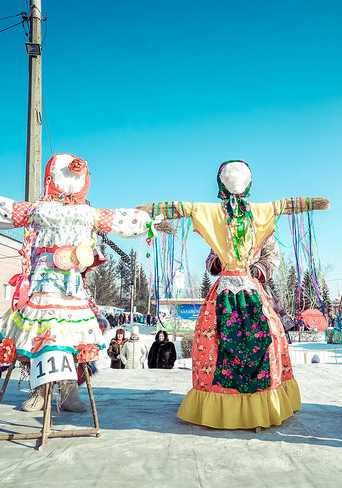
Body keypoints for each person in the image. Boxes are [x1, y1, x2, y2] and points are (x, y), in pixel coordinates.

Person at [138, 160, 328, 429]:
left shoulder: (260, 222)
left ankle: (262, 403)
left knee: (265, 340)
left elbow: (272, 256)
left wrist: (255, 269)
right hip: (224, 290)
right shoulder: (218, 221)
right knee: (215, 342)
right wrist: (221, 262)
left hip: (253, 290)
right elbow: (211, 258)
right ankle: (223, 402)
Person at [0, 153, 163, 413]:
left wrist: (147, 222)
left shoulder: (87, 213)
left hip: (72, 292)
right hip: (41, 290)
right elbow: (4, 209)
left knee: (72, 343)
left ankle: (69, 393)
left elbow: (118, 218)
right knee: (38, 341)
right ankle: (40, 392)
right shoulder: (40, 209)